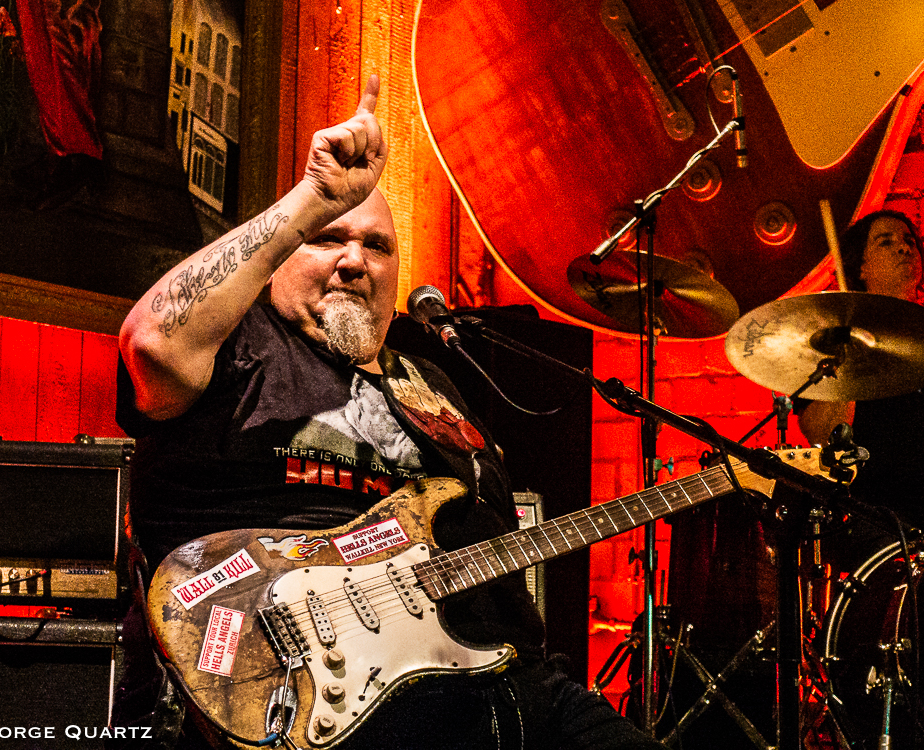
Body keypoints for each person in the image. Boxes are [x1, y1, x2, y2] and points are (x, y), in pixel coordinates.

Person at [112, 74, 665, 750]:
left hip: (498, 678)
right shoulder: (243, 345)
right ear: (282, 254)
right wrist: (310, 198)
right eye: (326, 237)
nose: (354, 261)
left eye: (377, 246)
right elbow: (152, 341)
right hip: (308, 682)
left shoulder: (432, 388)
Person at [797, 210, 924, 559]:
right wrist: (848, 358)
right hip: (873, 517)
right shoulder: (836, 344)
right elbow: (823, 434)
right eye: (885, 242)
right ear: (861, 268)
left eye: (909, 241)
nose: (904, 249)